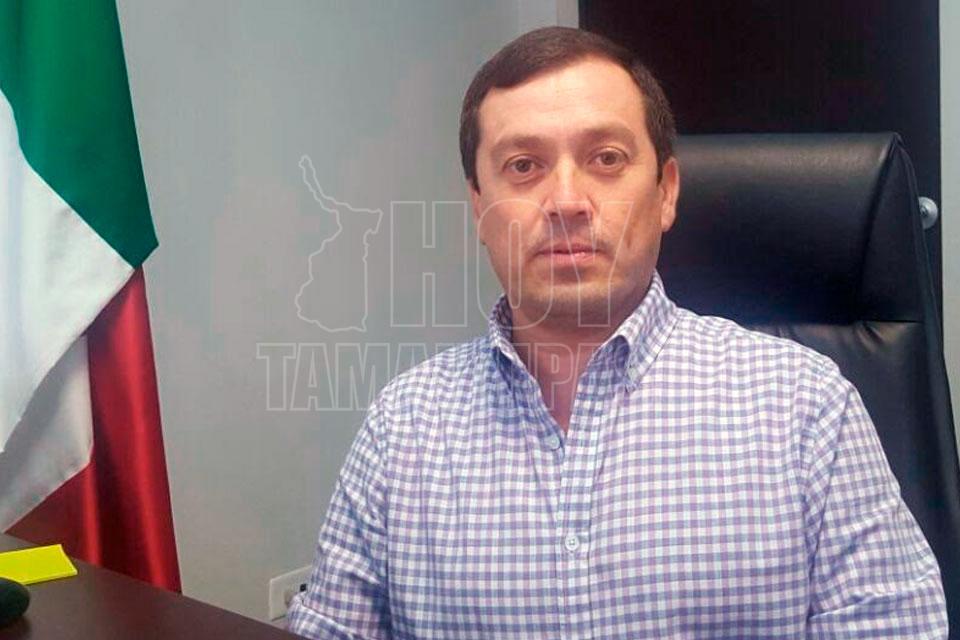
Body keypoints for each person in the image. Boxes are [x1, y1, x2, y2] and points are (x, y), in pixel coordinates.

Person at [288, 26, 947, 639]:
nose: (565, 201)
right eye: (523, 166)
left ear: (666, 192)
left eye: (606, 158)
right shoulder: (402, 428)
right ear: (479, 206)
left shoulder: (806, 408)